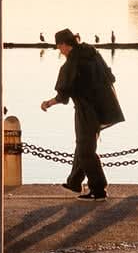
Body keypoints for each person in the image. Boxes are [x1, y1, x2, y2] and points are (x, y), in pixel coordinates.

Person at [41, 28, 124, 200]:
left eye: (59, 47)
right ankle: (74, 181)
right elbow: (111, 77)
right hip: (104, 107)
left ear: (64, 44)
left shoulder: (71, 64)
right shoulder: (92, 53)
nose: (59, 51)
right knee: (84, 145)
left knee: (86, 150)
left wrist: (48, 103)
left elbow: (63, 95)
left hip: (86, 111)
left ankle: (98, 189)